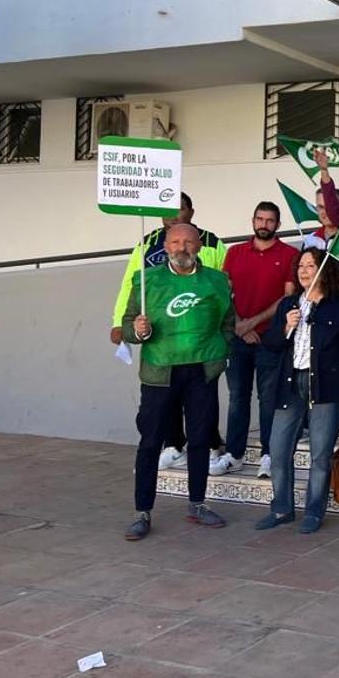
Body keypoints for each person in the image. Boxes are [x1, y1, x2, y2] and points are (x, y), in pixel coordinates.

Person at [121, 223, 234, 540]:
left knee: (200, 440)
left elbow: (228, 320)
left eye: (188, 242)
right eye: (175, 242)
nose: (181, 247)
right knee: (150, 442)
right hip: (160, 373)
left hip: (202, 371)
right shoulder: (147, 280)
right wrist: (139, 331)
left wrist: (222, 351)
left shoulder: (216, 280)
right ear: (165, 247)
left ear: (199, 246)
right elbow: (128, 326)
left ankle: (197, 504)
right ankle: (142, 511)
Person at [110, 192, 227, 471]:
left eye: (179, 209)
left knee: (202, 399)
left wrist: (223, 336)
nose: (173, 215)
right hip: (161, 336)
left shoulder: (211, 242)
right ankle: (174, 445)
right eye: (167, 210)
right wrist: (119, 322)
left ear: (192, 211)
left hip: (199, 337)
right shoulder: (147, 243)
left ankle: (210, 445)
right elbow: (130, 285)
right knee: (165, 394)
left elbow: (223, 287)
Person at [257, 248, 339, 534]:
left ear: (324, 271)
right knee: (278, 451)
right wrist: (286, 328)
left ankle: (314, 511)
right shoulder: (289, 304)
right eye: (300, 266)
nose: (304, 271)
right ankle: (281, 509)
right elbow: (271, 344)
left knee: (319, 455)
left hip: (326, 387)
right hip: (290, 387)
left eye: (311, 265)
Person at [214, 201, 298, 479]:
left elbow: (287, 297)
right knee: (238, 398)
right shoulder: (235, 252)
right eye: (260, 219)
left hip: (270, 340)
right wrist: (239, 323)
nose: (264, 224)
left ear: (278, 224)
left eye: (270, 220)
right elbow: (224, 291)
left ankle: (268, 455)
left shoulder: (289, 255)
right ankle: (234, 455)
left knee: (267, 399)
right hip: (237, 337)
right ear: (252, 221)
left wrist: (254, 322)